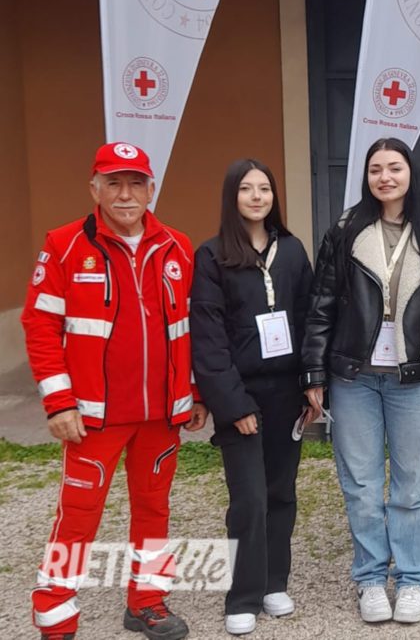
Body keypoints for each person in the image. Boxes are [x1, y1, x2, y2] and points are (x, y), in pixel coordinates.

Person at [22, 142, 206, 640]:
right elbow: (40, 325)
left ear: (151, 189)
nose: (126, 195)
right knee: (78, 516)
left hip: (161, 415)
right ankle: (55, 612)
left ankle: (148, 601)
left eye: (136, 183)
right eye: (114, 183)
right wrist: (58, 402)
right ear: (95, 189)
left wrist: (194, 392)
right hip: (92, 417)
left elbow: (191, 328)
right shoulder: (64, 244)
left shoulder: (177, 246)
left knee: (155, 509)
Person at [301, 137, 420, 624]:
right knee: (361, 484)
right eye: (376, 169)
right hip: (354, 377)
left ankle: (413, 579)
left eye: (395, 167)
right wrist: (314, 373)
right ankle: (372, 577)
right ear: (366, 176)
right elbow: (320, 308)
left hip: (413, 381)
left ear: (411, 173)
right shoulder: (345, 230)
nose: (385, 177)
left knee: (412, 487)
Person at [190, 159, 314, 635]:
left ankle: (273, 583)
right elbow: (208, 339)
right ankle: (242, 595)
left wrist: (311, 382)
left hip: (287, 393)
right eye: (247, 189)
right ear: (232, 196)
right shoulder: (212, 255)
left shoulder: (293, 249)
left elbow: (309, 319)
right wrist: (233, 403)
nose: (257, 196)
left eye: (265, 188)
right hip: (241, 394)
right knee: (249, 498)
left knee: (281, 492)